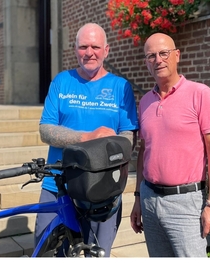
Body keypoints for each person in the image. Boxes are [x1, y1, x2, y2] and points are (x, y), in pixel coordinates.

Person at [35, 23, 139, 257]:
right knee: (48, 253)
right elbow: (46, 130)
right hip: (58, 185)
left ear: (106, 50)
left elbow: (128, 137)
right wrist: (88, 138)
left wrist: (104, 152)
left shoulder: (120, 87)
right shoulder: (62, 81)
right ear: (75, 50)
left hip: (103, 188)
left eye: (95, 46)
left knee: (97, 255)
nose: (89, 52)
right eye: (83, 46)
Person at [130, 33, 210, 257]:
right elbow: (145, 150)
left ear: (177, 55)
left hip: (186, 202)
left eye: (164, 53)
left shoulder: (200, 94)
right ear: (146, 62)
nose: (158, 60)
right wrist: (137, 198)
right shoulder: (145, 102)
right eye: (151, 56)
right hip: (149, 198)